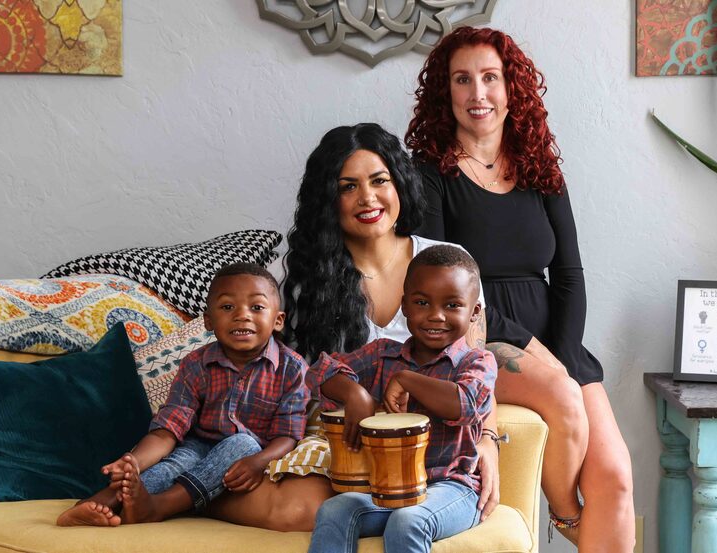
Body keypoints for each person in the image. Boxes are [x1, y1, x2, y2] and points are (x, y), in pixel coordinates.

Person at [207, 123, 501, 532]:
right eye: (347, 187)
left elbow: (472, 366)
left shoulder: (448, 266)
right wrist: (352, 393)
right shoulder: (295, 277)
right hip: (338, 433)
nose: (367, 198)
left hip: (423, 437)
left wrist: (486, 440)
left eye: (379, 180)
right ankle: (197, 496)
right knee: (307, 511)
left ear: (399, 184)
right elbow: (276, 371)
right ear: (328, 199)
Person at [405, 26, 635, 551]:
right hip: (477, 340)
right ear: (446, 94)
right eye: (462, 80)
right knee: (561, 400)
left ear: (513, 90)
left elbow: (570, 275)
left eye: (490, 78)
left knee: (617, 478)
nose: (478, 94)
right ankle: (566, 516)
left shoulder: (540, 168)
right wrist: (541, 359)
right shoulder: (429, 175)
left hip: (554, 337)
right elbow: (443, 287)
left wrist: (566, 352)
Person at [56, 262, 309, 527]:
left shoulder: (292, 369)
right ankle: (94, 505)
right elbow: (168, 429)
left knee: (242, 443)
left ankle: (159, 507)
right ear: (209, 321)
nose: (242, 315)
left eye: (256, 307)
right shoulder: (196, 364)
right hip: (198, 446)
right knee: (171, 463)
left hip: (251, 459)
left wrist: (259, 462)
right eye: (227, 307)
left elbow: (287, 435)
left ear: (278, 320)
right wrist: (133, 462)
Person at [306, 244, 496, 553]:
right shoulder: (383, 355)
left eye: (452, 305)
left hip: (453, 487)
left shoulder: (477, 362)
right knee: (335, 510)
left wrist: (407, 379)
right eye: (422, 302)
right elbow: (319, 370)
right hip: (389, 487)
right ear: (404, 304)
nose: (436, 316)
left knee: (408, 521)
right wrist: (354, 393)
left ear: (474, 312)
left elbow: (464, 405)